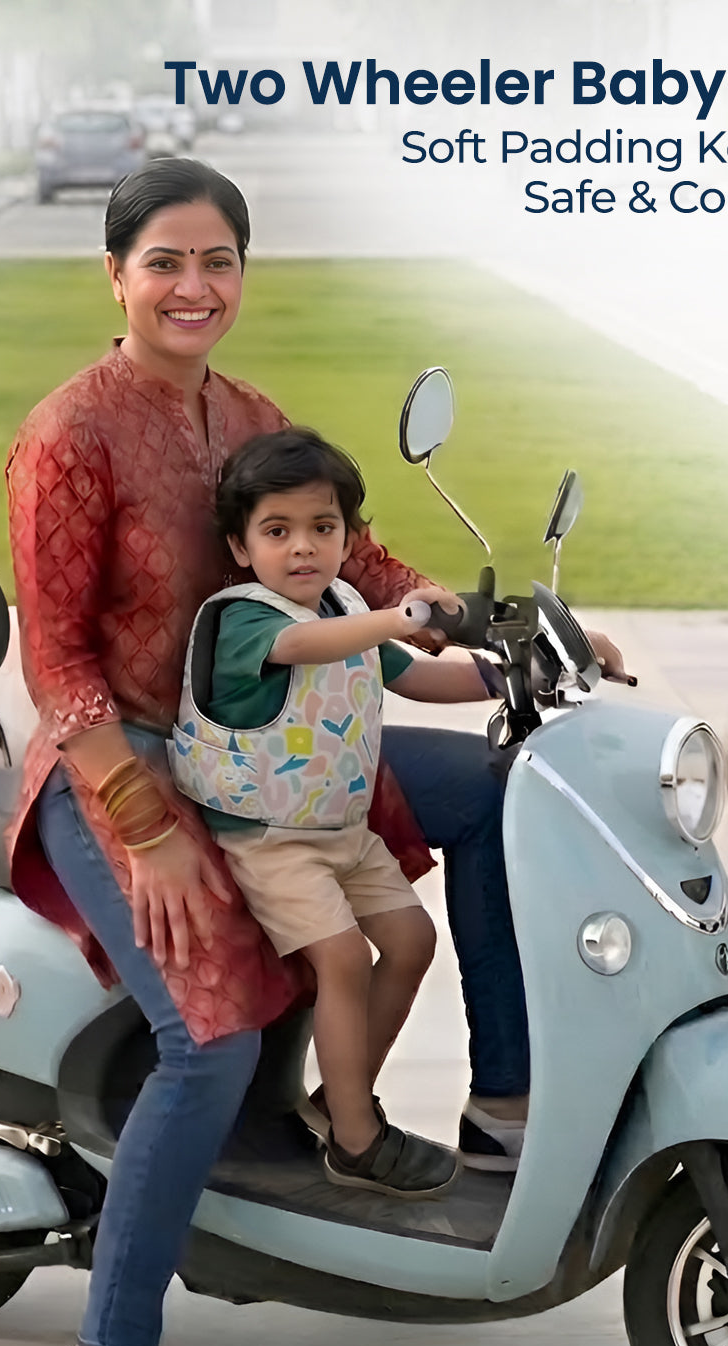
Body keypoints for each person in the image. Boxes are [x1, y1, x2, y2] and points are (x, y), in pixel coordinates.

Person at [4, 156, 626, 1346]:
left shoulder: (246, 414)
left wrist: (518, 627)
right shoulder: (68, 433)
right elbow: (55, 666)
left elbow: (368, 560)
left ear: (242, 273)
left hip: (278, 757)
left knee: (509, 792)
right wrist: (144, 829)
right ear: (114, 275)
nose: (193, 285)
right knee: (212, 1035)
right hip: (120, 764)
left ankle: (499, 1109)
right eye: (164, 262)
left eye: (217, 260)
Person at [172, 426, 496, 1198]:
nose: (304, 550)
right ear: (242, 546)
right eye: (278, 532)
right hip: (269, 839)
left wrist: (509, 675)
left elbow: (417, 682)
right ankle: (357, 1138)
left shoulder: (348, 605)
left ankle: (338, 1099)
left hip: (342, 831)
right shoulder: (248, 619)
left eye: (324, 529)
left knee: (413, 939)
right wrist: (397, 616)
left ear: (348, 538)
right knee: (345, 959)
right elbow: (311, 644)